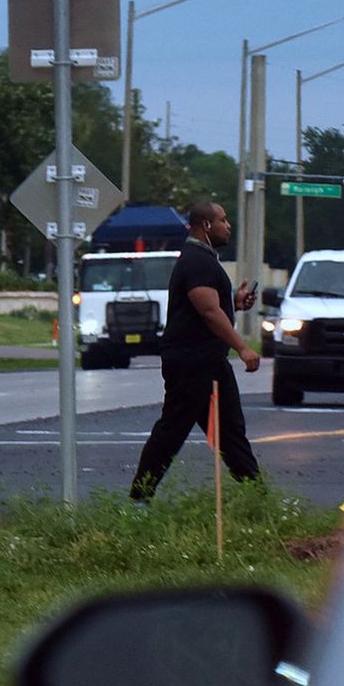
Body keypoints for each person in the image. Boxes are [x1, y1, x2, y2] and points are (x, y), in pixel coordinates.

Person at [130, 200, 262, 501]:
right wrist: (242, 347)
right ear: (206, 226)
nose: (228, 226)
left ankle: (258, 499)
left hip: (209, 363)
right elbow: (208, 312)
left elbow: (213, 306)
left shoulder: (203, 260)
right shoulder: (196, 261)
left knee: (230, 434)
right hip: (191, 365)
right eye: (223, 220)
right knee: (172, 432)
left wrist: (235, 302)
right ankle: (139, 499)